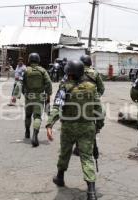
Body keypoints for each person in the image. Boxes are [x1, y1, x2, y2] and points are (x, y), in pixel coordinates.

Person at [46, 60, 104, 200]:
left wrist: (49, 124)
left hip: (68, 127)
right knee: (87, 157)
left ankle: (60, 177)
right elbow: (99, 110)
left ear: (70, 73)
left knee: (65, 153)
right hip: (87, 127)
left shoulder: (64, 87)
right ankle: (91, 191)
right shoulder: (92, 87)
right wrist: (98, 126)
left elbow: (57, 107)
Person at [72, 55, 105, 156]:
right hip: (92, 103)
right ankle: (96, 131)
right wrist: (95, 97)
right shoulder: (95, 73)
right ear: (90, 63)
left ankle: (78, 147)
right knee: (99, 116)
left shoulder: (74, 71)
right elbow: (101, 88)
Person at [22, 53, 52, 147]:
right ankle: (35, 134)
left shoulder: (26, 70)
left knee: (28, 115)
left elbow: (22, 84)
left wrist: (25, 93)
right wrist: (48, 95)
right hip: (39, 97)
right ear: (38, 60)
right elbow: (49, 83)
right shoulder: (42, 71)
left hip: (28, 97)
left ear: (30, 60)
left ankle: (27, 131)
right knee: (37, 117)